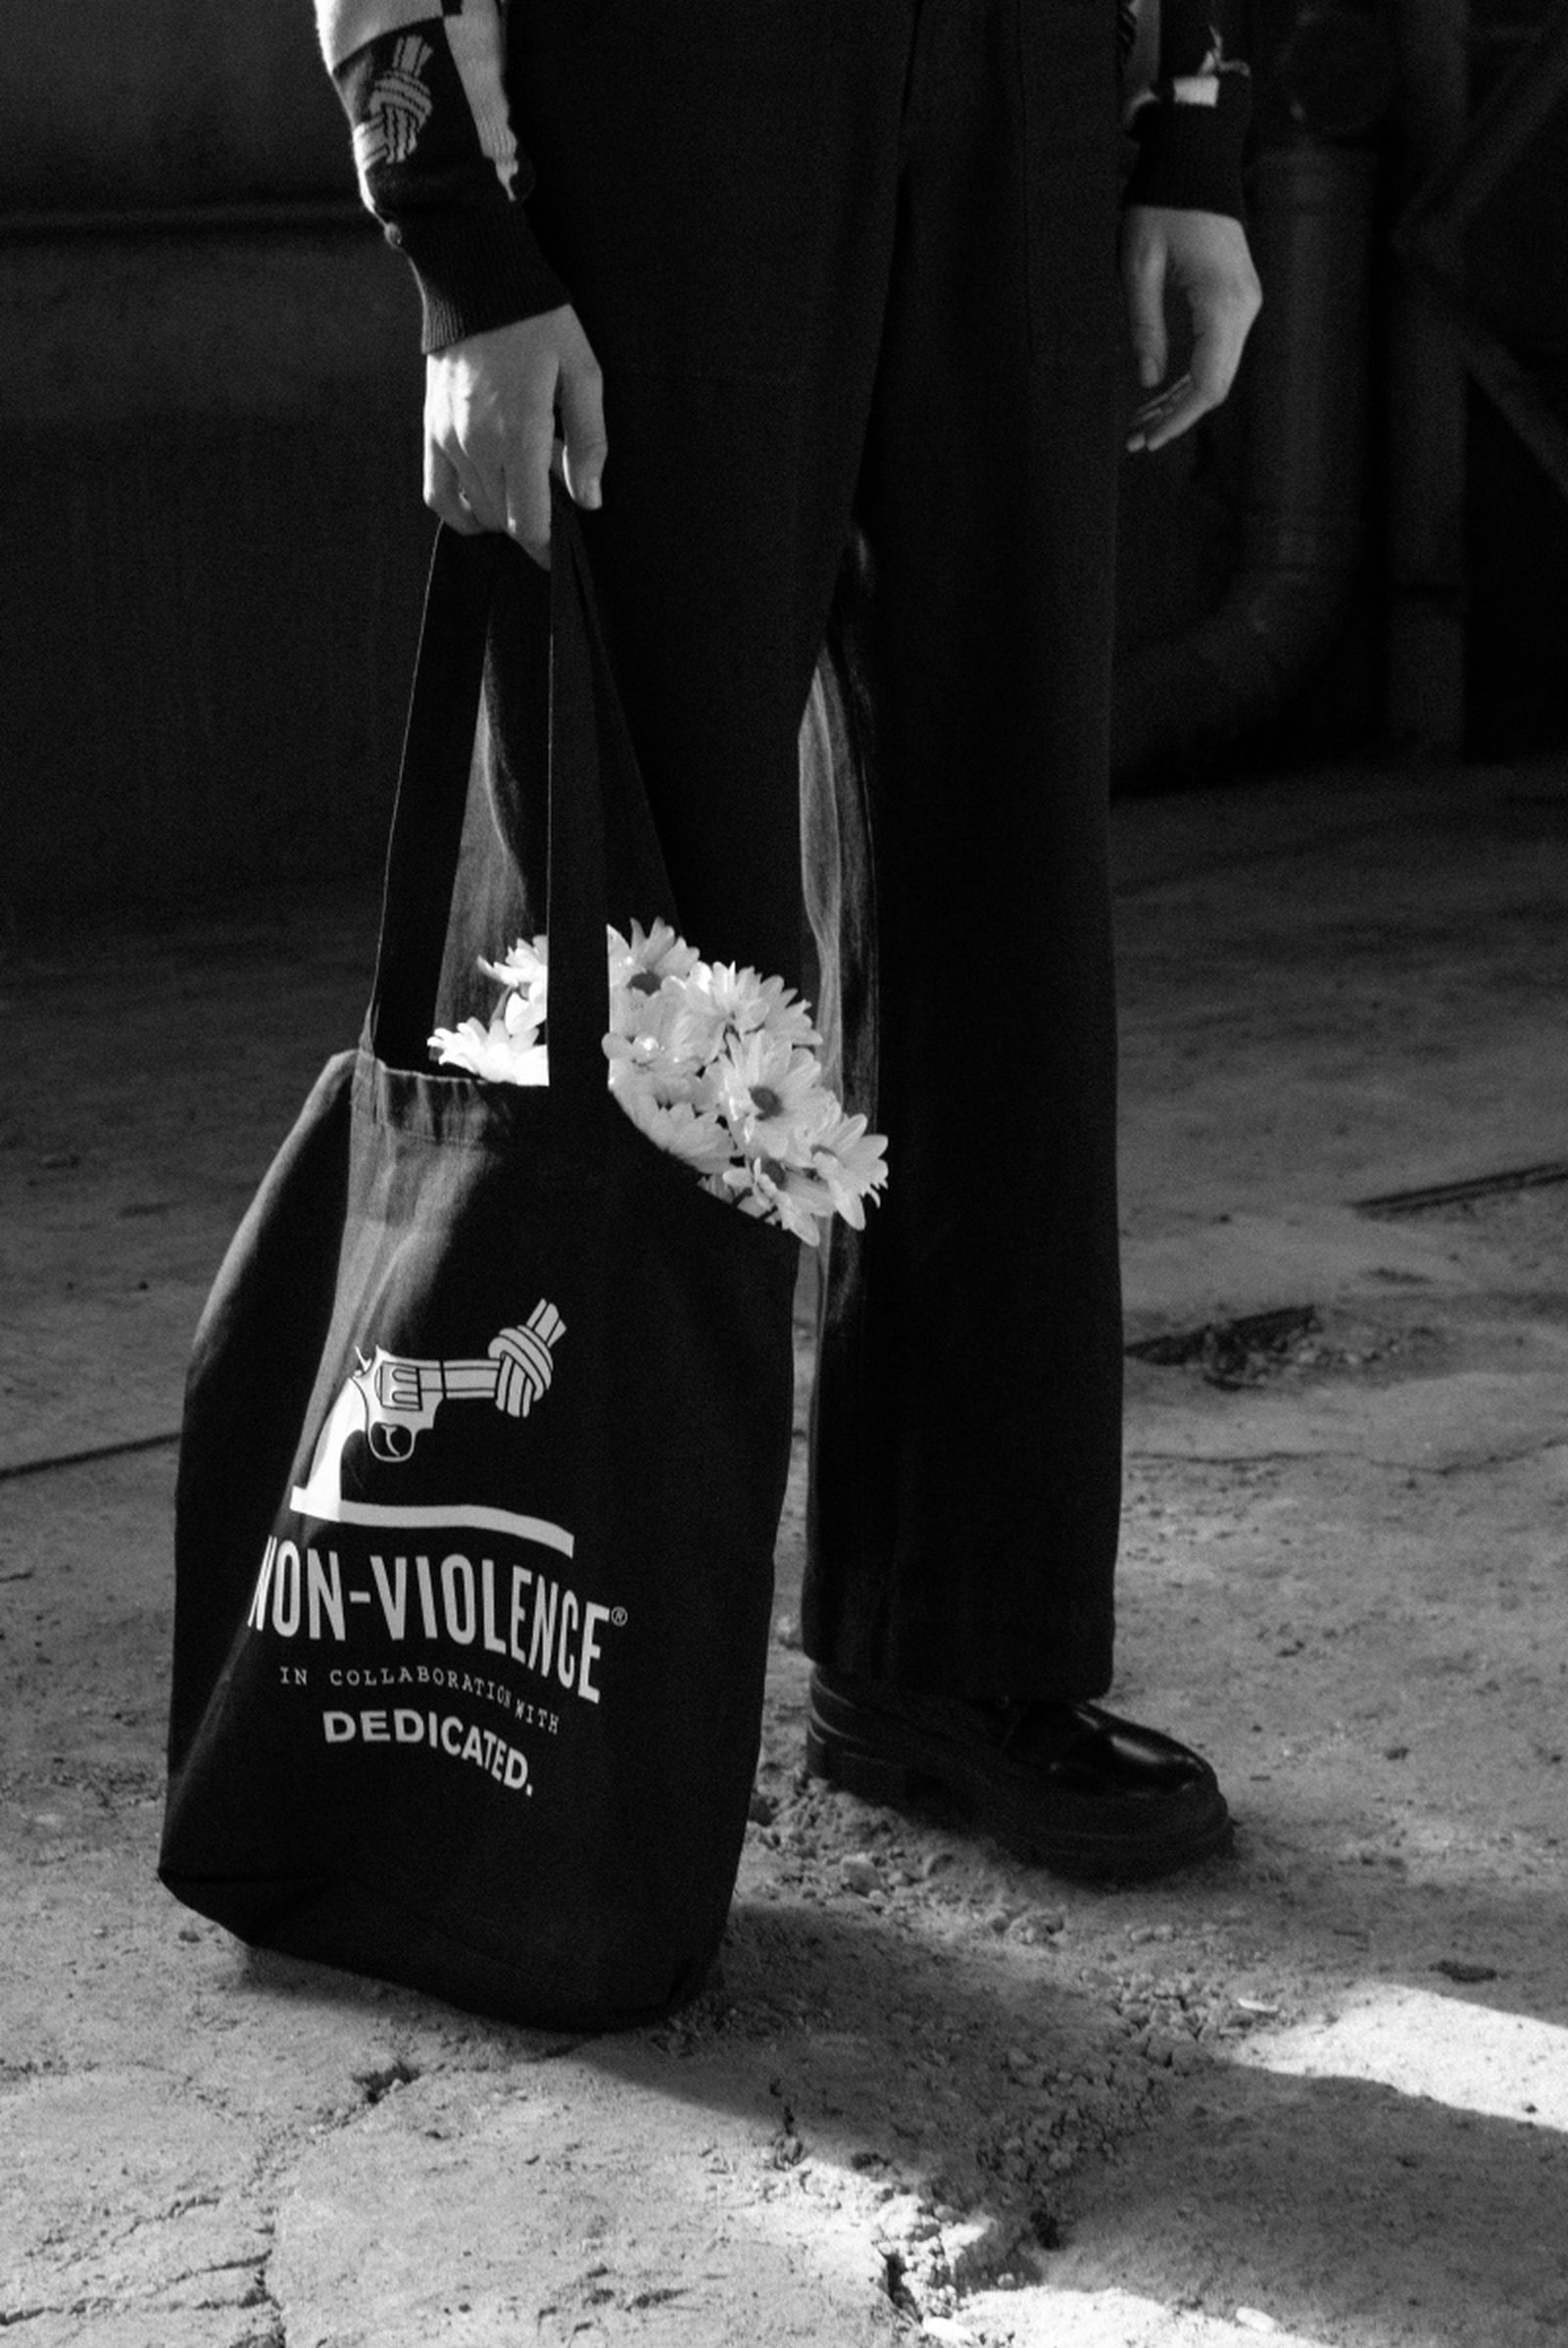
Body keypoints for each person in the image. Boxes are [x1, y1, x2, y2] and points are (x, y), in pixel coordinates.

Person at [315, 0, 1262, 1880]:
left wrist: (1194, 120)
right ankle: (554, 1685)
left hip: (1026, 86)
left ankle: (954, 1653)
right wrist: (452, 220)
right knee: (647, 932)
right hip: (678, 95)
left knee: (1006, 907)